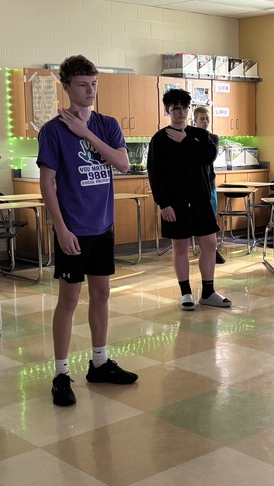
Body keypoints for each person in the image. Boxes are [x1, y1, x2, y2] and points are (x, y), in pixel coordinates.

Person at [38, 55, 138, 406]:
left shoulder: (107, 124)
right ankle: (61, 372)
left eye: (94, 84)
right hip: (73, 228)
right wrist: (60, 229)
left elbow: (123, 163)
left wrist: (85, 132)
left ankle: (99, 362)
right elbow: (47, 184)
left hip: (102, 225)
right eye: (82, 84)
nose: (90, 90)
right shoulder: (52, 131)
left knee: (102, 293)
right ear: (66, 87)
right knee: (69, 299)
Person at [148, 89, 230, 311]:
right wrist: (163, 204)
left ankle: (208, 291)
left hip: (201, 199)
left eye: (184, 108)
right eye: (175, 108)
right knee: (180, 246)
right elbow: (155, 174)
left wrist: (185, 141)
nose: (181, 112)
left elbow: (208, 157)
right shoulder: (159, 140)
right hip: (175, 203)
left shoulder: (200, 135)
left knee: (210, 244)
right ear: (168, 110)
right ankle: (185, 292)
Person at [193, 104, 225, 264]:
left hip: (209, 183)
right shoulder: (189, 137)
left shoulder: (213, 138)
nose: (205, 122)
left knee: (211, 216)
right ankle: (202, 247)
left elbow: (208, 157)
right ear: (195, 121)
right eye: (202, 119)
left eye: (207, 119)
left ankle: (213, 249)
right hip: (193, 184)